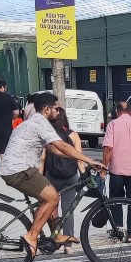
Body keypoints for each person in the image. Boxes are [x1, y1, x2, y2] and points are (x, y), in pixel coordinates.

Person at [0, 92, 101, 257]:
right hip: (19, 170)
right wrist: (88, 160)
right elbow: (62, 146)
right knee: (53, 197)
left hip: (15, 168)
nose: (59, 112)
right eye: (56, 108)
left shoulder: (34, 122)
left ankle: (56, 235)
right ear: (47, 109)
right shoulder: (41, 123)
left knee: (49, 198)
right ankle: (31, 236)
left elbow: (56, 151)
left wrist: (79, 159)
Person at [101, 101, 131, 243]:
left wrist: (104, 168)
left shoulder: (113, 125)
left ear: (117, 111)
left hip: (117, 171)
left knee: (116, 200)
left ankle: (118, 231)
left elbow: (108, 149)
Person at [39, 108, 85, 254]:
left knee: (50, 207)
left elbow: (42, 158)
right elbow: (78, 157)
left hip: (51, 176)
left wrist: (40, 176)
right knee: (68, 210)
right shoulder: (73, 135)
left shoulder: (48, 136)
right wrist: (83, 174)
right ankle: (68, 245)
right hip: (70, 177)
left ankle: (52, 238)